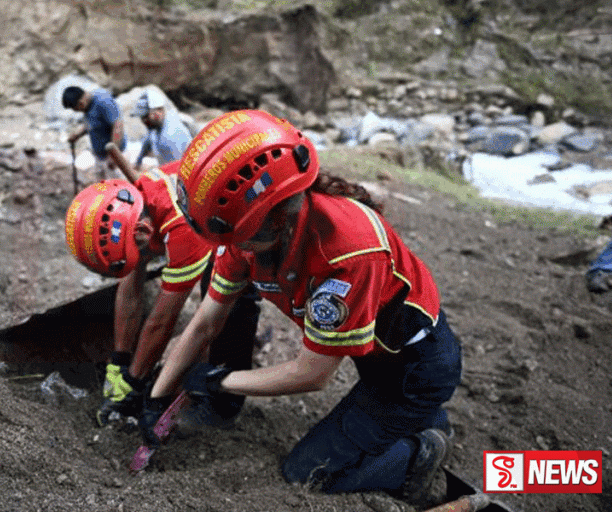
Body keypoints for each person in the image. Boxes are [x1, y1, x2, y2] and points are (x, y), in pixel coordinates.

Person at [141, 110, 462, 507]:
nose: (235, 249)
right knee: (366, 426)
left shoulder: (349, 252)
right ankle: (419, 421)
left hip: (412, 367)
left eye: (241, 238)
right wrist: (158, 397)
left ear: (274, 219)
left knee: (307, 472)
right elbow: (207, 321)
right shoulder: (247, 233)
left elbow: (312, 374)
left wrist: (219, 380)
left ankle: (421, 452)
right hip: (377, 354)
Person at [65, 166, 259, 427]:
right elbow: (130, 288)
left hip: (250, 217)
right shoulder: (132, 203)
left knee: (228, 296)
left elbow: (163, 319)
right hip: (205, 209)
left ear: (144, 231)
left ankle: (223, 404)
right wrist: (120, 360)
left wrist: (134, 382)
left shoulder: (181, 231)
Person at [63, 85, 126, 183]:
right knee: (102, 189)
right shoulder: (87, 106)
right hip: (100, 155)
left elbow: (118, 126)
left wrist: (114, 155)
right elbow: (92, 123)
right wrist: (77, 135)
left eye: (75, 109)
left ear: (80, 103)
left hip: (113, 156)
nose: (77, 111)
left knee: (121, 188)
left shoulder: (103, 101)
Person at [132, 88, 192, 170]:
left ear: (158, 112)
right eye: (142, 117)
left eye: (146, 116)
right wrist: (138, 162)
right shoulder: (157, 124)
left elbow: (177, 170)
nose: (143, 121)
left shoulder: (169, 137)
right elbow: (148, 140)